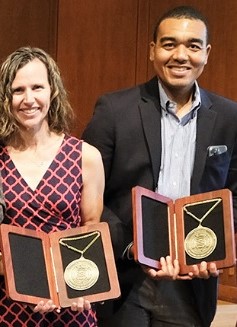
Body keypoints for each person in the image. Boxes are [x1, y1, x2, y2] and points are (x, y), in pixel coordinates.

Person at [82, 5, 237, 327]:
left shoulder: (229, 117)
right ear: (153, 50)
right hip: (126, 278)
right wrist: (130, 246)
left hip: (194, 281)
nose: (181, 55)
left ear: (206, 53)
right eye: (169, 44)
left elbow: (234, 195)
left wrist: (218, 248)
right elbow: (88, 194)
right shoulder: (114, 110)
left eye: (193, 46)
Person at [0, 46, 105, 326]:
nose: (29, 99)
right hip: (9, 305)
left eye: (37, 87)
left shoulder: (86, 156)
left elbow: (90, 227)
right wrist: (30, 279)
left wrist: (81, 285)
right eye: (18, 90)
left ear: (53, 91)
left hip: (72, 304)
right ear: (6, 97)